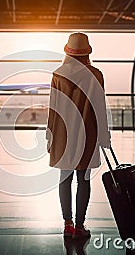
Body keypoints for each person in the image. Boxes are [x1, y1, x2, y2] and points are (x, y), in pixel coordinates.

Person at [46, 32, 111, 238]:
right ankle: (80, 226)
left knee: (64, 179)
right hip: (87, 134)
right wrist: (104, 136)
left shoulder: (58, 74)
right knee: (84, 180)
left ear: (67, 51)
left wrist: (50, 136)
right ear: (86, 52)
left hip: (62, 134)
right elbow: (100, 107)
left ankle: (68, 224)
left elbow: (53, 108)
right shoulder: (96, 74)